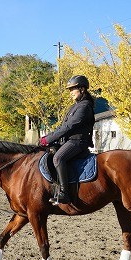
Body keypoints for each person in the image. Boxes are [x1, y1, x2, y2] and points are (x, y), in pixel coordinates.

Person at [39, 75, 95, 204]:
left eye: (73, 89)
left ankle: (65, 193)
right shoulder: (76, 106)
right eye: (69, 90)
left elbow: (70, 126)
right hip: (69, 141)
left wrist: (48, 139)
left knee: (58, 158)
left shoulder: (84, 106)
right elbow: (63, 126)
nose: (70, 93)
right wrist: (47, 138)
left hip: (78, 142)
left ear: (82, 89)